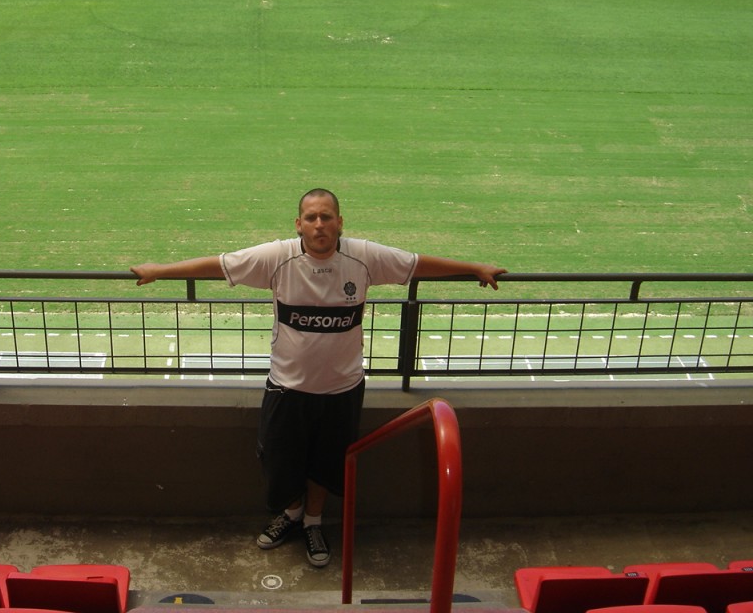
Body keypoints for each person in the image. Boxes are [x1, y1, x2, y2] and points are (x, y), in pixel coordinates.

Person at [131, 188, 506, 568]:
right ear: (299, 224)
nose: (319, 224)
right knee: (280, 461)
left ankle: (313, 522)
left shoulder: (364, 256)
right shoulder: (277, 257)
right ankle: (291, 514)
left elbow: (415, 265)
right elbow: (220, 265)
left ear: (340, 222)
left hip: (342, 390)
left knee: (327, 464)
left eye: (327, 216)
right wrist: (158, 272)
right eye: (311, 217)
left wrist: (474, 268)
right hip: (286, 387)